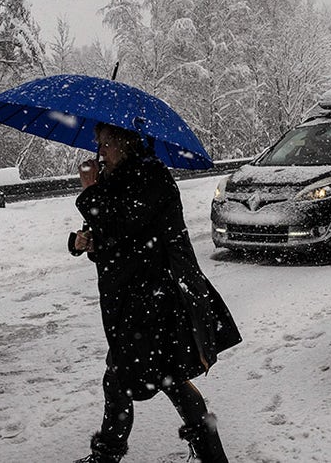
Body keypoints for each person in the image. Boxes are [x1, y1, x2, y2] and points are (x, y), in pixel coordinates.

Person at [69, 122, 241, 463]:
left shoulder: (152, 177)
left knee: (148, 377)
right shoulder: (117, 179)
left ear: (125, 144)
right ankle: (112, 452)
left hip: (156, 298)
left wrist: (89, 190)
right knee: (144, 377)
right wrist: (83, 242)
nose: (100, 151)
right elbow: (113, 236)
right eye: (98, 144)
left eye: (105, 144)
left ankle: (109, 454)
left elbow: (124, 227)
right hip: (131, 298)